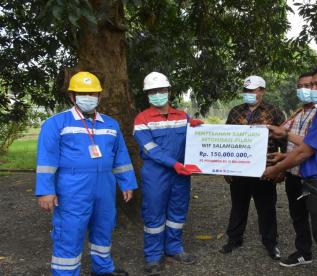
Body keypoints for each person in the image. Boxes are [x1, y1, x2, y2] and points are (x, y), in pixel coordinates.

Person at [36, 71, 137, 276]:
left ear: (99, 96)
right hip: (72, 188)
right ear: (72, 96)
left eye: (93, 93)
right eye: (83, 93)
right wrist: (45, 191)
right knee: (69, 233)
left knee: (104, 228)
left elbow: (121, 156)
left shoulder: (110, 124)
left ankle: (103, 270)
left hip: (105, 188)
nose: (88, 97)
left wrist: (127, 183)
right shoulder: (56, 123)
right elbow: (46, 160)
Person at [263, 64, 317, 276]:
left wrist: (275, 169)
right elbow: (311, 148)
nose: (312, 89)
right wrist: (284, 156)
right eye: (310, 85)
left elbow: (304, 152)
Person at [133, 72, 203, 275]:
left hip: (180, 175)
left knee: (177, 213)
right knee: (154, 214)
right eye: (153, 91)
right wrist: (174, 164)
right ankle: (153, 256)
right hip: (156, 175)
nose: (157, 94)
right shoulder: (142, 119)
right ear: (148, 94)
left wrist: (197, 129)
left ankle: (174, 248)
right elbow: (150, 149)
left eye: (161, 90)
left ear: (168, 91)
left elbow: (196, 142)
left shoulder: (183, 116)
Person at [220, 75, 285, 260]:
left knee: (267, 207)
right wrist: (225, 167)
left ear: (262, 91)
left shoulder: (274, 112)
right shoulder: (234, 112)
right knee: (238, 206)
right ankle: (234, 239)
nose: (249, 94)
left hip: (265, 168)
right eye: (246, 90)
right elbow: (225, 140)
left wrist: (280, 168)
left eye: (253, 90)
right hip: (238, 169)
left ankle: (271, 243)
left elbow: (284, 141)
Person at [266, 72, 317, 267]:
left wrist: (277, 166)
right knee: (298, 215)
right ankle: (304, 252)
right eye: (300, 86)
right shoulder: (297, 113)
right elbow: (279, 134)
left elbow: (311, 145)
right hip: (293, 174)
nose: (303, 90)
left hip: (311, 176)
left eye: (309, 85)